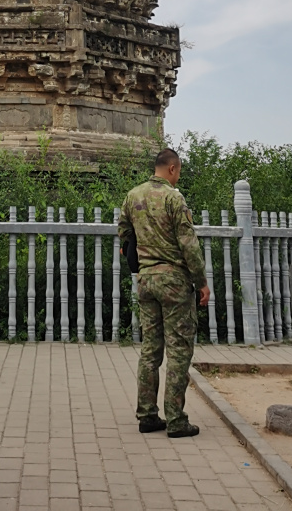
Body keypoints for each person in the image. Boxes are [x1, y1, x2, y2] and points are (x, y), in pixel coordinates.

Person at [119, 148, 210, 438]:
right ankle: (176, 419)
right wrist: (202, 281)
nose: (178, 175)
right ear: (172, 169)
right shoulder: (174, 198)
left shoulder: (133, 196)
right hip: (174, 282)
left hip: (146, 281)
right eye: (179, 170)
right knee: (179, 350)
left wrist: (139, 261)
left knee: (150, 349)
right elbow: (189, 245)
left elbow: (124, 236)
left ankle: (147, 415)